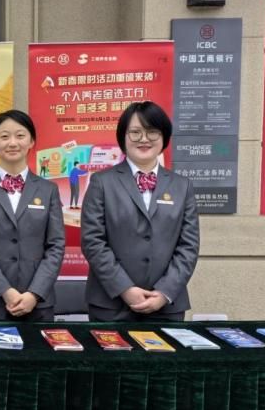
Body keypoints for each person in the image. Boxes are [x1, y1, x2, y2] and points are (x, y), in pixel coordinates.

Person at [81, 101, 200, 322]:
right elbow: (93, 241)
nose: (144, 139)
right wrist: (124, 288)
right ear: (123, 137)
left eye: (152, 132)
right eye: (135, 132)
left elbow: (188, 246)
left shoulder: (182, 186)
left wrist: (164, 292)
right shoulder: (102, 182)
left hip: (166, 306)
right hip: (111, 304)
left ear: (164, 137)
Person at [0, 110, 65, 321]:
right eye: (4, 136)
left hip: (38, 304)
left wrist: (34, 293)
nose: (12, 143)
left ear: (31, 142)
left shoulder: (48, 190)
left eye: (20, 136)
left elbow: (55, 246)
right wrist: (5, 291)